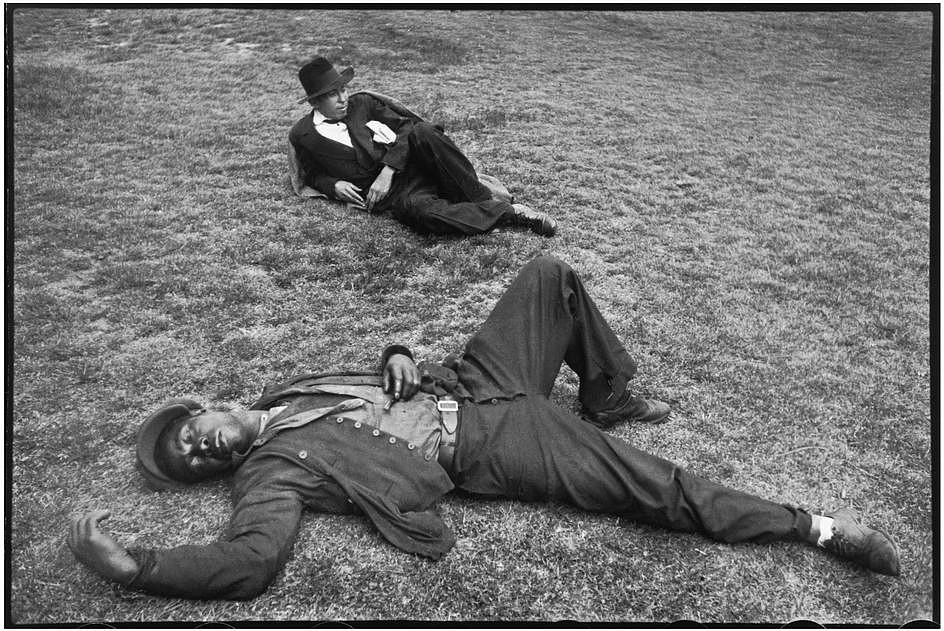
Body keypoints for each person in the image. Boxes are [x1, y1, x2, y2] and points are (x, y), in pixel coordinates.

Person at [68, 256, 900, 600]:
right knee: (655, 488)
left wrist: (395, 351)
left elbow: (383, 369)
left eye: (189, 430)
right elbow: (252, 558)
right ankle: (814, 526)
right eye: (191, 461)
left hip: (478, 378)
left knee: (547, 274)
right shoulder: (269, 473)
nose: (200, 447)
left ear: (206, 401)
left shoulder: (285, 387)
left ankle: (606, 391)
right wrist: (137, 566)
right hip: (491, 444)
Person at [287, 57, 557, 237]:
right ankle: (512, 214)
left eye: (343, 89)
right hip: (397, 196)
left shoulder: (363, 104)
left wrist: (388, 169)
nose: (343, 98)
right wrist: (332, 185)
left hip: (415, 163)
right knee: (423, 216)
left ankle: (481, 200)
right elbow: (310, 174)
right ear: (315, 102)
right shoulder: (304, 135)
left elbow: (407, 127)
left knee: (425, 131)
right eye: (333, 94)